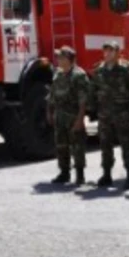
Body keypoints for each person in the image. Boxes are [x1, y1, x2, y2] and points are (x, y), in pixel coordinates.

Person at [90, 40, 129, 188]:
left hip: (121, 113)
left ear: (118, 53)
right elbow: (93, 91)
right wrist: (95, 108)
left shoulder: (126, 69)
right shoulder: (98, 70)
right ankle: (106, 174)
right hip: (104, 114)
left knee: (126, 144)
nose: (108, 53)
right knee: (105, 145)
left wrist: (127, 105)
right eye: (106, 50)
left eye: (111, 50)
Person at [48, 47, 90, 186]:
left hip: (73, 116)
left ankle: (80, 175)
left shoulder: (79, 75)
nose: (58, 60)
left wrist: (80, 120)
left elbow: (83, 100)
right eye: (58, 58)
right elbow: (52, 95)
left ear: (69, 59)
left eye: (61, 58)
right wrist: (49, 111)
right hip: (60, 116)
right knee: (61, 145)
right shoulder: (57, 74)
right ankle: (64, 173)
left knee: (77, 146)